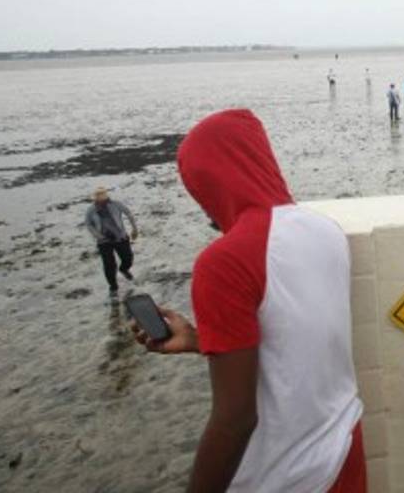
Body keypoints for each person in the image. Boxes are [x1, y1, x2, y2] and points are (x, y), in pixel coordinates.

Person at [131, 109, 366, 492]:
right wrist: (199, 340)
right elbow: (296, 342)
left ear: (208, 183)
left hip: (288, 477)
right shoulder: (326, 231)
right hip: (344, 449)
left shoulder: (224, 262)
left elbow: (236, 420)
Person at [83, 187, 139, 297]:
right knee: (109, 265)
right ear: (95, 198)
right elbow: (88, 224)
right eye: (98, 196)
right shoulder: (91, 210)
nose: (101, 199)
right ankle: (113, 286)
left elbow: (128, 213)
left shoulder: (116, 204)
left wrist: (134, 229)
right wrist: (98, 235)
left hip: (120, 237)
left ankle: (124, 269)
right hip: (104, 241)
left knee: (128, 258)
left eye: (102, 196)